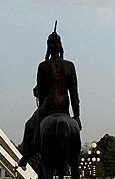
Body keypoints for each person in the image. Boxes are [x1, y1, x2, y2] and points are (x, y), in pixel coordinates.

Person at [19, 23, 81, 168]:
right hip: (64, 107)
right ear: (61, 46)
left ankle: (26, 156)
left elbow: (40, 92)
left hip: (48, 106)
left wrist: (37, 95)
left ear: (48, 47)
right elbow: (74, 94)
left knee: (29, 126)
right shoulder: (70, 66)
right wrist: (76, 115)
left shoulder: (43, 66)